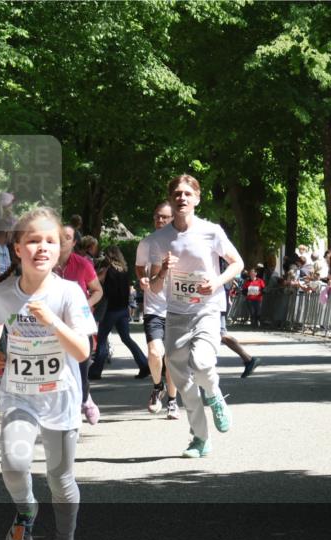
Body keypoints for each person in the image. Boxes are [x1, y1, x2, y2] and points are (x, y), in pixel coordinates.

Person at [0, 207, 96, 540]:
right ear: (18, 248)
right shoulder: (3, 292)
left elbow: (81, 351)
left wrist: (52, 321)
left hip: (60, 398)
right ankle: (26, 511)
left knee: (59, 477)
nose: (42, 247)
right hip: (19, 395)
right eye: (33, 240)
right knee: (14, 464)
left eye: (50, 240)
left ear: (59, 248)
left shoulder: (69, 292)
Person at [147, 174, 243, 458]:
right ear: (170, 198)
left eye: (188, 193)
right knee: (184, 382)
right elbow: (153, 286)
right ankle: (200, 439)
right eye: (177, 193)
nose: (182, 198)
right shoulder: (159, 239)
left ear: (197, 199)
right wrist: (163, 270)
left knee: (201, 363)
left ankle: (214, 396)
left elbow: (237, 263)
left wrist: (216, 281)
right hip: (175, 313)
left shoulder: (211, 231)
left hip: (207, 309)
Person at [55, 223, 103, 424]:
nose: (61, 240)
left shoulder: (83, 265)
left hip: (78, 324)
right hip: (54, 323)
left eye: (66, 237)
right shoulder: (46, 264)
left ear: (74, 242)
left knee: (82, 363)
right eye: (58, 236)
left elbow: (98, 291)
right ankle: (64, 408)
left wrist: (84, 305)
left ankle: (85, 398)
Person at [135, 202, 180, 418]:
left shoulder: (183, 242)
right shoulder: (147, 243)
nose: (160, 221)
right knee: (155, 353)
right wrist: (142, 277)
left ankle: (172, 401)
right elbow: (138, 266)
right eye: (157, 217)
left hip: (177, 308)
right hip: (154, 306)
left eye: (164, 217)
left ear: (174, 218)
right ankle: (156, 386)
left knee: (171, 357)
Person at [89, 246, 150, 380]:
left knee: (102, 339)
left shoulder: (108, 270)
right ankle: (144, 364)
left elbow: (95, 280)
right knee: (126, 338)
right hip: (123, 309)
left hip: (111, 310)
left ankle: (96, 370)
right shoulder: (124, 270)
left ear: (109, 255)